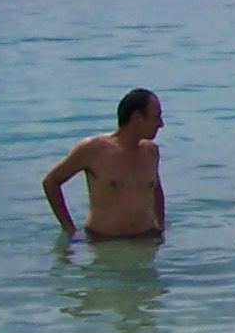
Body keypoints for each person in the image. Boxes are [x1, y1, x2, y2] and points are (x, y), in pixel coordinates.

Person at [42, 88, 166, 240]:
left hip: (146, 238)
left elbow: (156, 190)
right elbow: (51, 182)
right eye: (157, 117)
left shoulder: (151, 151)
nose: (161, 124)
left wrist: (160, 226)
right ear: (137, 117)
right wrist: (69, 229)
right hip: (104, 242)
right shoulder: (93, 149)